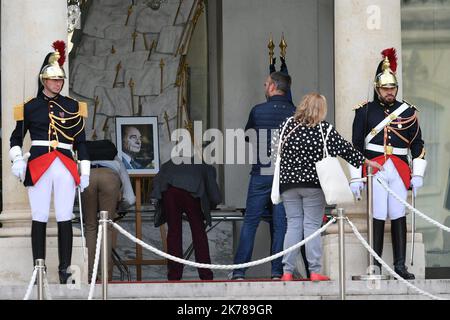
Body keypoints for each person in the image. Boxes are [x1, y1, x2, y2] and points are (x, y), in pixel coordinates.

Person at [276, 93, 382, 282]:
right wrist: (367, 162)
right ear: (321, 109)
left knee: (293, 225)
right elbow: (346, 149)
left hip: (288, 184)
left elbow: (273, 149)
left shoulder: (286, 125)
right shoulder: (324, 130)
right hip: (313, 185)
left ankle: (287, 272)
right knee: (311, 226)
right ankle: (314, 270)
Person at [9, 41, 90, 284]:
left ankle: (64, 270)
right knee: (40, 216)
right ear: (44, 80)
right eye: (54, 80)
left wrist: (84, 170)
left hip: (65, 163)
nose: (58, 83)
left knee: (65, 215)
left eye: (60, 80)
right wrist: (16, 159)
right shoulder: (29, 107)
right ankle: (39, 269)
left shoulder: (73, 106)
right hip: (39, 163)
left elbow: (81, 142)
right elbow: (16, 137)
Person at [349, 48, 426, 279]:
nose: (389, 92)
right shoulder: (365, 111)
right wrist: (356, 177)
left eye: (392, 88)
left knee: (398, 213)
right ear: (377, 89)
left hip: (400, 169)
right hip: (376, 168)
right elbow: (356, 146)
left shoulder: (408, 111)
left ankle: (400, 266)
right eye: (385, 88)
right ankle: (375, 265)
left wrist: (418, 173)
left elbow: (417, 144)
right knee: (379, 214)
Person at [231, 72, 295, 280]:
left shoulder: (258, 111)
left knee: (250, 223)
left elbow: (249, 135)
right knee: (281, 225)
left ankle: (239, 271)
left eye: (266, 83)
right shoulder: (295, 113)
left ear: (273, 87)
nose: (264, 86)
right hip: (284, 176)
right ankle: (277, 272)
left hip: (261, 172)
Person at [151, 154, 222, 281]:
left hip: (170, 192)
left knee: (174, 232)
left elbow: (157, 182)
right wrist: (211, 206)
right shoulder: (206, 167)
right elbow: (215, 196)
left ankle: (174, 275)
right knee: (199, 233)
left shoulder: (169, 163)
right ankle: (206, 275)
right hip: (192, 194)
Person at [81, 139, 135, 281]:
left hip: (88, 178)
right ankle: (105, 276)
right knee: (106, 228)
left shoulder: (83, 161)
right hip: (110, 178)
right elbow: (130, 198)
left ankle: (90, 276)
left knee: (91, 227)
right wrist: (119, 207)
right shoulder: (117, 161)